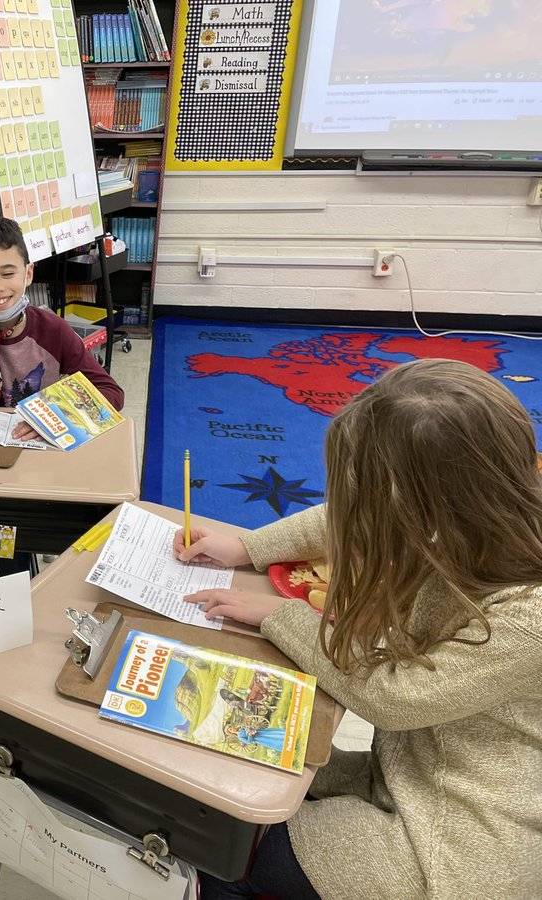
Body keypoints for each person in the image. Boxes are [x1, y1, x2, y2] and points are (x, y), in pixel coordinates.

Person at [174, 359, 542, 899]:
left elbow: (398, 698)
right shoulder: (478, 509)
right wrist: (248, 547)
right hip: (414, 772)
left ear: (435, 504)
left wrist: (283, 618)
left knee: (224, 848)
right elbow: (353, 514)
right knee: (238, 771)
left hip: (456, 848)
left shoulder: (529, 617)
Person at [0, 215, 125, 576]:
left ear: (28, 274)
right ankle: (18, 591)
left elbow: (111, 393)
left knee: (70, 531)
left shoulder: (52, 329)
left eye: (7, 273)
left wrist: (51, 416)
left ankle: (51, 582)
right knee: (7, 532)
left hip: (49, 461)